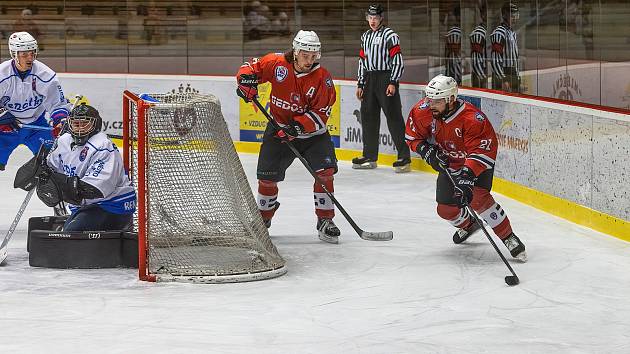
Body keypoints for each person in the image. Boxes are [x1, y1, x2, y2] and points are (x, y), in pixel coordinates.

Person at [405, 74, 527, 262]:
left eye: (436, 101)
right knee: (445, 210)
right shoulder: (423, 111)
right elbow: (412, 138)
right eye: (429, 98)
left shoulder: (472, 119)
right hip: (450, 164)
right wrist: (426, 151)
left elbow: (482, 150)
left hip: (477, 165)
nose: (430, 104)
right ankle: (470, 224)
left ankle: (508, 237)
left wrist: (467, 176)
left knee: (478, 199)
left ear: (451, 99)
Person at [236, 30, 340, 244]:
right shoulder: (276, 63)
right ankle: (263, 218)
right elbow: (250, 69)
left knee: (325, 174)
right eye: (305, 55)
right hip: (278, 130)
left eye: (314, 56)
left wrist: (297, 128)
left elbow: (322, 114)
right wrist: (245, 82)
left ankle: (325, 220)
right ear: (295, 51)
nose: (309, 61)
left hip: (314, 136)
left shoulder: (323, 79)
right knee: (267, 178)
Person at [35, 103, 136, 231]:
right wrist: (39, 167)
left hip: (112, 205)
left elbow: (93, 190)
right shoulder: (64, 141)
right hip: (85, 206)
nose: (79, 128)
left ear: (95, 125)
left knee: (71, 236)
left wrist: (57, 181)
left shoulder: (102, 145)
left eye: (84, 124)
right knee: (64, 236)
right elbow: (51, 169)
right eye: (76, 124)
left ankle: (122, 226)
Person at [0, 31, 70, 172]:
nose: (30, 58)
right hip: (7, 127)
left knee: (54, 162)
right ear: (14, 54)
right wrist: (2, 115)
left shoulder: (46, 75)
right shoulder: (2, 74)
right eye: (24, 54)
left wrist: (60, 120)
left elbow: (57, 104)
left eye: (32, 53)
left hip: (36, 126)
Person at [353, 3, 410, 173]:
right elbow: (362, 62)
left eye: (375, 18)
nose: (372, 21)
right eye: (370, 18)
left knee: (393, 117)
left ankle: (404, 157)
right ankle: (369, 156)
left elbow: (397, 60)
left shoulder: (390, 35)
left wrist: (393, 81)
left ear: (381, 18)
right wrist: (360, 83)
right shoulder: (365, 37)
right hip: (370, 78)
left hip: (386, 77)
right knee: (368, 116)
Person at [490, 1, 520, 93]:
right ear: (504, 16)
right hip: (503, 74)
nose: (514, 18)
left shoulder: (512, 33)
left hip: (512, 73)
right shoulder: (499, 32)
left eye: (516, 15)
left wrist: (517, 76)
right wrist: (503, 79)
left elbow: (514, 58)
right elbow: (495, 59)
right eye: (512, 15)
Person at [469, 0, 488, 88]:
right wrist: (482, 76)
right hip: (479, 72)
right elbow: (475, 58)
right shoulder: (479, 33)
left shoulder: (487, 31)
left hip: (482, 71)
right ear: (483, 15)